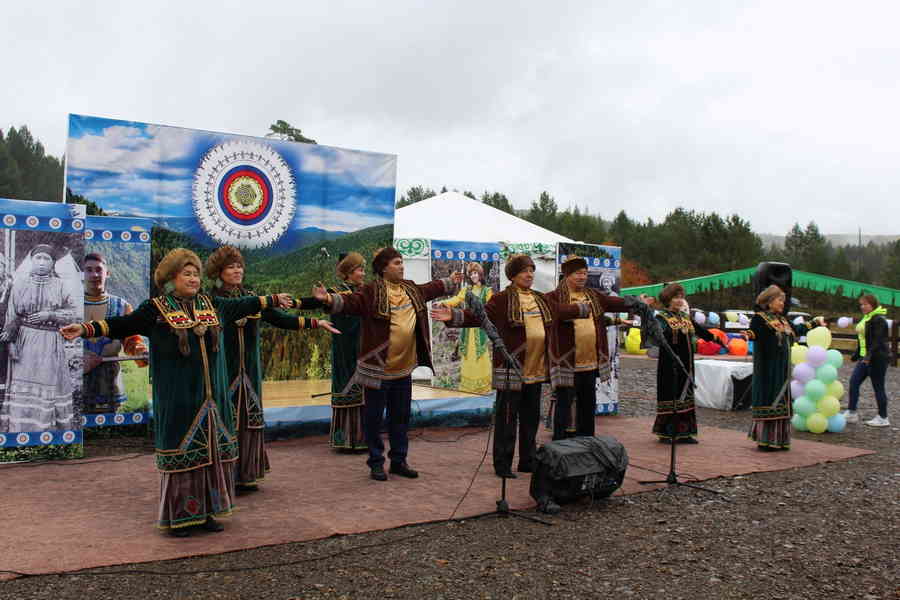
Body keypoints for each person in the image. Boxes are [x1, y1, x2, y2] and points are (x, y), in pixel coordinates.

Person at [61, 248, 295, 536]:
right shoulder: (156, 309)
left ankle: (207, 512)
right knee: (184, 455)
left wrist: (271, 299)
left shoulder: (211, 304)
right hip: (178, 396)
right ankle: (181, 518)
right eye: (187, 274)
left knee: (210, 453)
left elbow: (246, 304)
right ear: (172, 278)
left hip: (211, 399)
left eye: (196, 273)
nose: (194, 278)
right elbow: (123, 324)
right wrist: (85, 329)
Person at [312, 247, 462, 481]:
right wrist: (328, 299)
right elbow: (352, 302)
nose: (401, 266)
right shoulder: (372, 290)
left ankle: (399, 461)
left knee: (401, 416)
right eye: (396, 262)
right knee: (373, 417)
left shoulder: (411, 288)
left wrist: (450, 282)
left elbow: (430, 288)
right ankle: (376, 462)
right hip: (378, 368)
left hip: (403, 368)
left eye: (402, 262)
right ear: (383, 268)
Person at [431, 254, 585, 478]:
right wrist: (453, 315)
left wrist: (582, 309)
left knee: (531, 417)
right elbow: (479, 316)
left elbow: (560, 310)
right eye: (525, 271)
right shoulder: (502, 299)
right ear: (513, 275)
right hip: (511, 367)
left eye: (532, 270)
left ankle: (527, 460)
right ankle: (502, 464)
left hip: (535, 368)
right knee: (507, 418)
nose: (529, 274)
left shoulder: (540, 298)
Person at [204, 246, 339, 492]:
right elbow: (249, 306)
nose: (237, 270)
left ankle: (246, 474)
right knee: (226, 420)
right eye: (230, 267)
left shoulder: (252, 296)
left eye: (239, 266)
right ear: (219, 272)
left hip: (251, 373)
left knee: (249, 421)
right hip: (225, 372)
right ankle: (225, 476)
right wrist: (267, 299)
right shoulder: (212, 300)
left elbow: (279, 318)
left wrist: (315, 323)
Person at [545, 256, 646, 440]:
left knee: (588, 404)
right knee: (564, 403)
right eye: (577, 273)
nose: (582, 277)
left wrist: (636, 302)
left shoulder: (593, 294)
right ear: (567, 275)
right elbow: (556, 312)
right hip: (565, 360)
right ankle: (559, 443)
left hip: (590, 362)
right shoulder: (553, 297)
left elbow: (613, 302)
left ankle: (587, 440)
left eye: (584, 273)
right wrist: (579, 309)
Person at [0, 245, 77, 433]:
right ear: (31, 261)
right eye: (38, 258)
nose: (42, 263)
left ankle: (46, 430)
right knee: (22, 385)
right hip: (24, 342)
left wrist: (50, 315)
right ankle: (20, 429)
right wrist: (10, 344)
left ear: (52, 263)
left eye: (46, 259)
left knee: (50, 383)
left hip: (50, 342)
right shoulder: (20, 284)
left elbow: (74, 313)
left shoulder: (61, 285)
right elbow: (11, 316)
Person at [743, 285, 815, 451]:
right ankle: (765, 440)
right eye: (779, 300)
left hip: (782, 369)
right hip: (768, 369)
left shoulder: (783, 320)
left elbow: (796, 331)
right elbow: (755, 332)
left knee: (782, 400)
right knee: (770, 399)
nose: (782, 303)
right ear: (769, 301)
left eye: (783, 300)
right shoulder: (759, 318)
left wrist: (814, 324)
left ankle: (780, 439)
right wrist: (748, 334)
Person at [651, 283, 723, 444]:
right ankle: (667, 433)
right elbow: (656, 336)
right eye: (676, 297)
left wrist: (716, 338)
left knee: (686, 396)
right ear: (668, 299)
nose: (680, 300)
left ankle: (685, 433)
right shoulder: (661, 318)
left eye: (681, 297)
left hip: (687, 364)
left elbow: (701, 331)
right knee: (672, 395)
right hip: (670, 364)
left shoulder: (685, 317)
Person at [82, 252, 147, 414]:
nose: (94, 274)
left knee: (105, 432)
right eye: (88, 270)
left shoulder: (122, 306)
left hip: (110, 384)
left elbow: (132, 340)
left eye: (98, 269)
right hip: (75, 382)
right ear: (82, 274)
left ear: (107, 273)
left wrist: (142, 351)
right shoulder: (69, 303)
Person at [326, 252, 368, 451]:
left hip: (365, 345)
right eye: (360, 269)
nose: (363, 273)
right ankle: (345, 438)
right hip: (345, 346)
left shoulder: (366, 291)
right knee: (347, 384)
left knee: (366, 387)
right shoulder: (334, 292)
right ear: (349, 272)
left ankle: (363, 437)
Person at [439, 262, 493, 395]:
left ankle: (483, 388)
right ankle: (469, 388)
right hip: (467, 328)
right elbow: (456, 299)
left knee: (481, 354)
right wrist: (443, 303)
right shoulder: (466, 290)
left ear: (480, 274)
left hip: (480, 329)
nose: (473, 276)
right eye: (471, 273)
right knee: (468, 354)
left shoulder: (487, 291)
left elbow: (492, 308)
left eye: (475, 273)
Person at [842, 293, 891, 427]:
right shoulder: (867, 318)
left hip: (877, 358)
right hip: (865, 358)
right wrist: (857, 354)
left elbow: (877, 341)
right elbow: (863, 337)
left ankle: (883, 417)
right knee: (854, 382)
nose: (862, 307)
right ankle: (851, 413)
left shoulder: (879, 319)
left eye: (866, 304)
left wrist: (869, 357)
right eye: (861, 304)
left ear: (873, 305)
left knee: (878, 387)